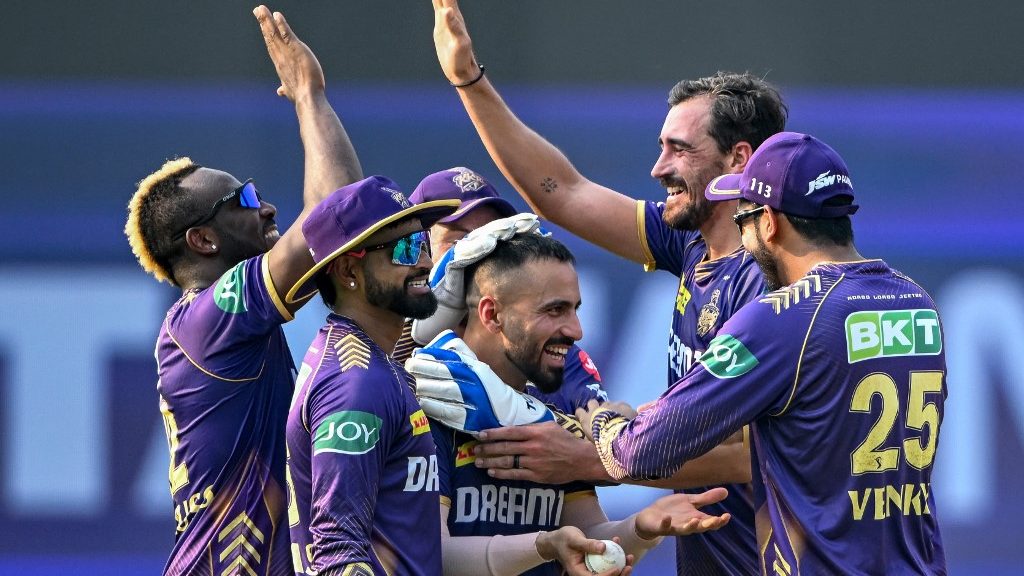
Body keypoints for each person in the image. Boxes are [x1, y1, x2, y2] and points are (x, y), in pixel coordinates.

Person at [429, 1, 785, 573]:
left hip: (762, 558)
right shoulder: (688, 242)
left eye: (679, 149)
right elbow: (562, 192)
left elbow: (752, 455)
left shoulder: (768, 282)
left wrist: (592, 458)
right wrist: (468, 80)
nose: (658, 167)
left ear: (737, 160)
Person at [579, 132, 948, 574]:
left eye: (742, 219)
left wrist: (604, 420)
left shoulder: (781, 317)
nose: (741, 236)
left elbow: (637, 454)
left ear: (769, 222)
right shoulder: (916, 301)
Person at [123, 7, 361, 575]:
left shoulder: (216, 323)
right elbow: (338, 218)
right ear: (203, 240)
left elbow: (346, 223)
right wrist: (308, 96)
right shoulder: (208, 320)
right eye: (246, 200)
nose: (267, 207)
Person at [408, 230, 732, 575]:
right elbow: (430, 554)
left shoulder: (553, 416)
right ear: (492, 314)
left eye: (575, 310)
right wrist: (543, 546)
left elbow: (587, 535)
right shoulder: (426, 409)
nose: (576, 331)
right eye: (554, 310)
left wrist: (640, 528)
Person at [282, 175, 460, 575]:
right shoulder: (357, 382)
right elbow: (338, 553)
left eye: (423, 242)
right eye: (405, 248)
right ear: (349, 270)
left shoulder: (374, 365)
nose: (426, 262)